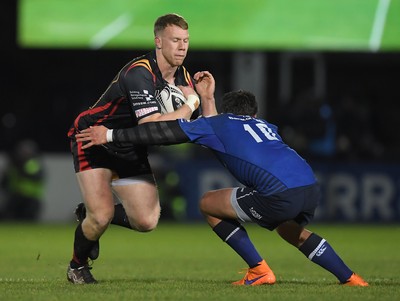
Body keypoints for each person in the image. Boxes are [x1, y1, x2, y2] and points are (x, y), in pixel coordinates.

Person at [76, 79, 368, 286]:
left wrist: (111, 135)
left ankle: (259, 270)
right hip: (308, 187)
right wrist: (208, 98)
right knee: (290, 230)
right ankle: (350, 277)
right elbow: (219, 128)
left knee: (208, 204)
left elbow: (162, 133)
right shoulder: (266, 125)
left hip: (277, 194)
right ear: (253, 113)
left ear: (228, 112)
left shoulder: (217, 125)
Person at [66, 13, 209, 284]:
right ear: (158, 42)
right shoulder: (140, 73)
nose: (182, 47)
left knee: (147, 221)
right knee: (102, 215)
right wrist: (190, 105)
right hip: (94, 137)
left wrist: (207, 98)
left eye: (186, 41)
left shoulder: (183, 76)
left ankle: (88, 215)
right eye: (175, 40)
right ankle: (77, 266)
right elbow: (152, 126)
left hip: (127, 141)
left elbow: (197, 124)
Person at [0, 139, 45, 221]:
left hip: (31, 198)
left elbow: (36, 177)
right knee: (9, 217)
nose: (24, 153)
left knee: (27, 219)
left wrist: (19, 169)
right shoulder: (14, 165)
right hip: (15, 197)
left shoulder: (33, 163)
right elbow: (5, 182)